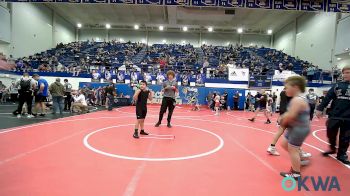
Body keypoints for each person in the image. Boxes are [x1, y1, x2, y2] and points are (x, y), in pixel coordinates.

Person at [316, 65, 350, 165]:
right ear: (342, 74)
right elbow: (327, 98)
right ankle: (332, 149)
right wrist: (320, 108)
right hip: (335, 115)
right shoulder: (337, 85)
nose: (347, 74)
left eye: (349, 72)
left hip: (348, 117)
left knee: (346, 137)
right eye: (345, 72)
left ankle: (341, 154)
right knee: (330, 133)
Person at [279, 76, 311, 179]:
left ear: (295, 87)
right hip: (294, 127)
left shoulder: (297, 100)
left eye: (287, 87)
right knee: (284, 144)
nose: (285, 90)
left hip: (299, 129)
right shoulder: (297, 99)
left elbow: (290, 115)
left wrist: (282, 119)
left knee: (293, 149)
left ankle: (296, 173)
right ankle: (299, 158)